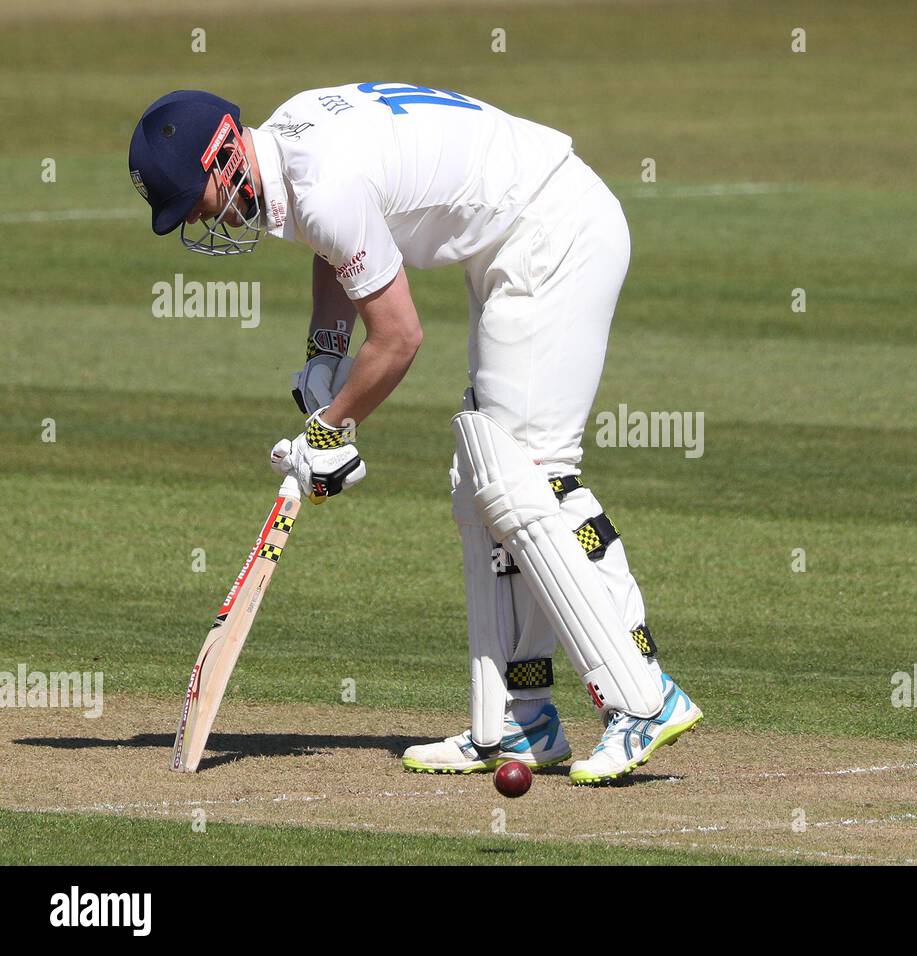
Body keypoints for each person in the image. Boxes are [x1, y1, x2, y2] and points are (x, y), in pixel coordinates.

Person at [128, 84, 702, 784]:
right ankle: (518, 722)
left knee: (529, 478)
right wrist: (325, 355)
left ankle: (643, 697)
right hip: (520, 239)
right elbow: (337, 249)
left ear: (223, 155)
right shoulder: (292, 140)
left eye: (196, 198)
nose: (201, 217)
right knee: (486, 478)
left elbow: (400, 338)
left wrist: (334, 431)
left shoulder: (321, 181)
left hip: (556, 232)